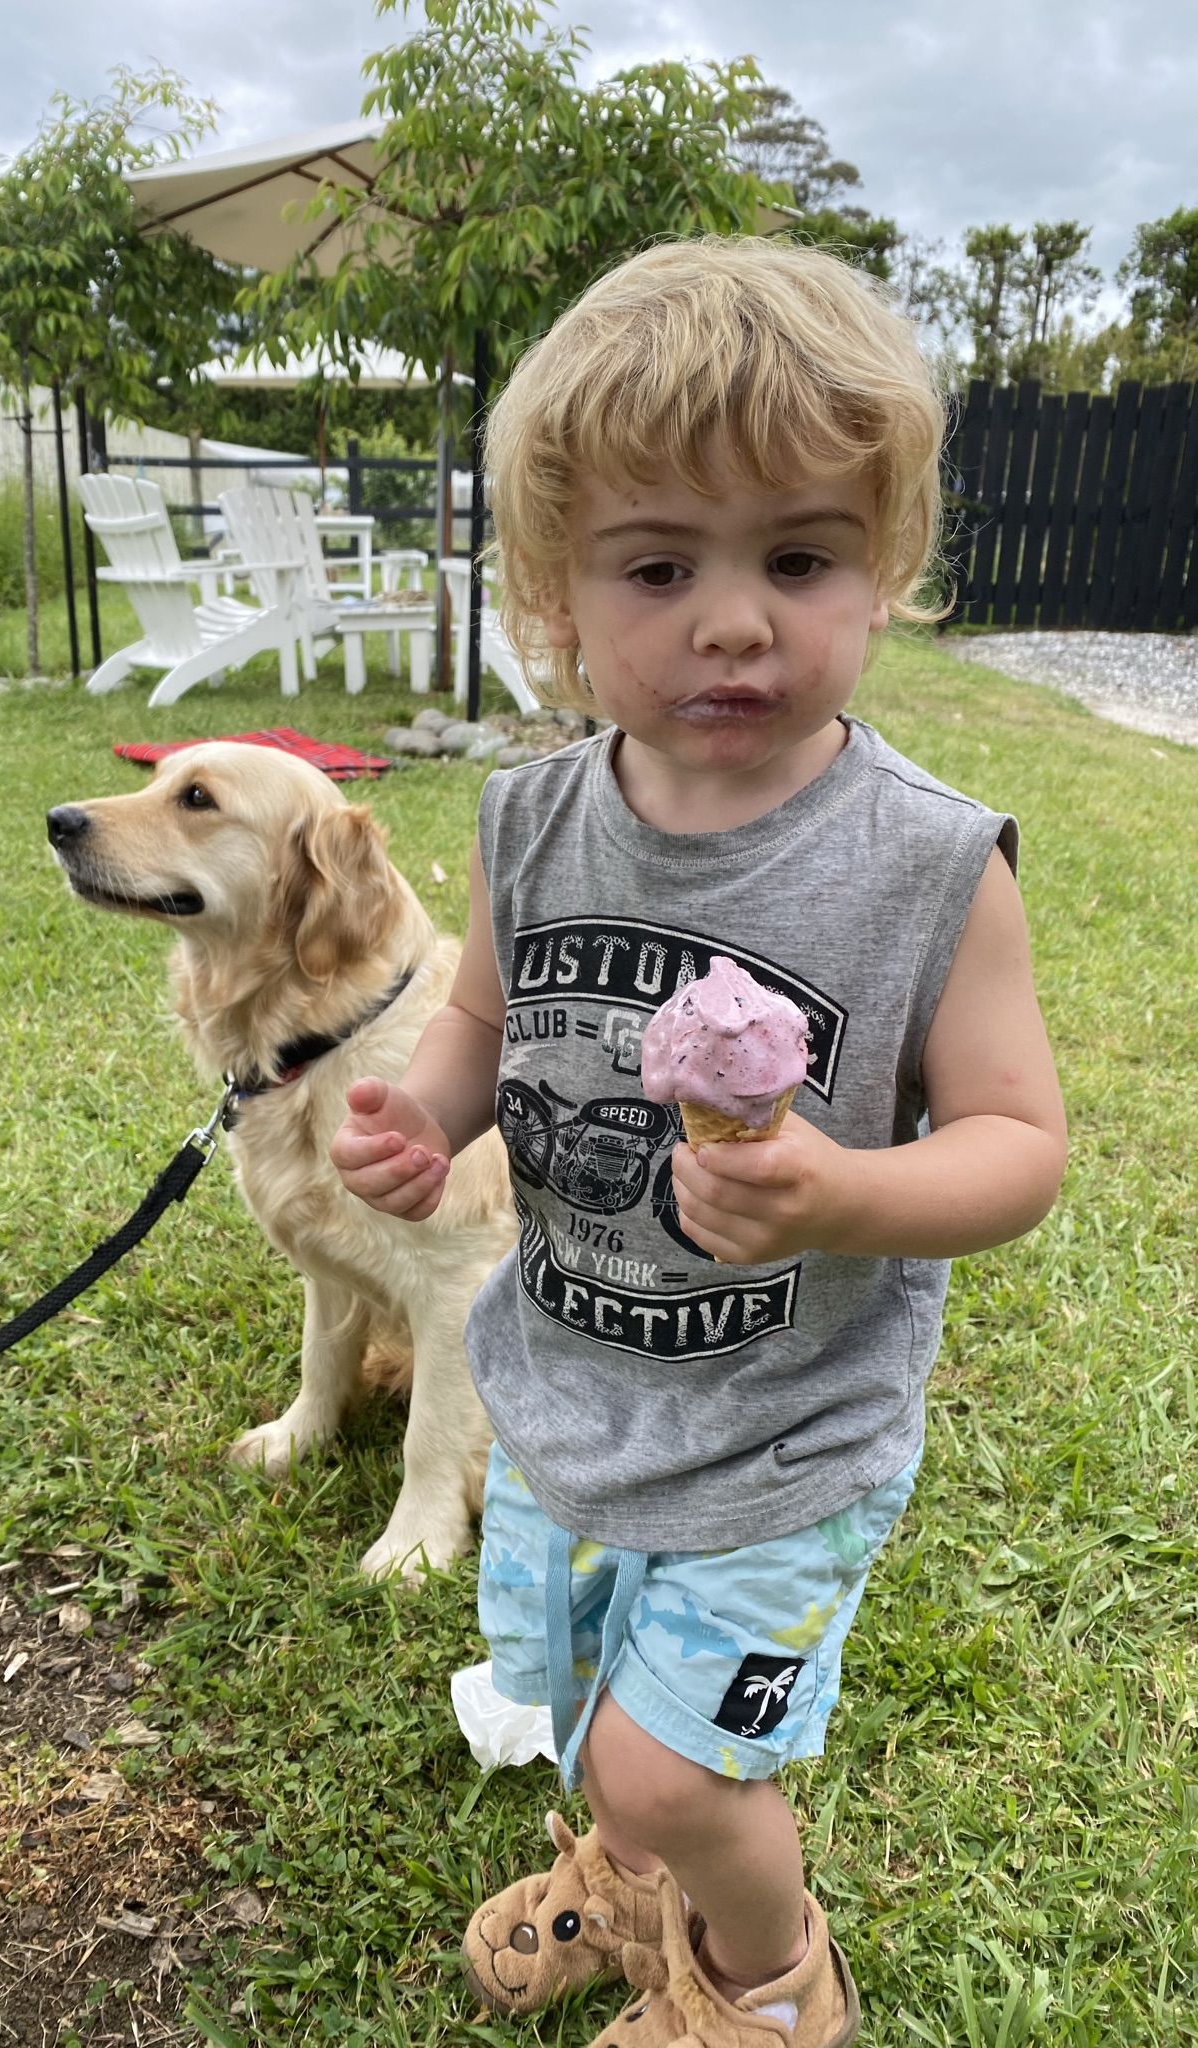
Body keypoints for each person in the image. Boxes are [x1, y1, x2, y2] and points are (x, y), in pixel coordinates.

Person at [330, 237, 1066, 2047]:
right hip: (576, 1390)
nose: (733, 620)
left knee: (670, 1769)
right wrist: (424, 1121)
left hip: (784, 1430)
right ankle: (636, 1886)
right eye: (663, 566)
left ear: (882, 570)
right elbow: (485, 1022)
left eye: (797, 559)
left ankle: (764, 1987)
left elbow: (1020, 1145)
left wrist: (847, 1188)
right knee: (590, 1710)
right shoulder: (527, 821)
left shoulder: (925, 867)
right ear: (556, 593)